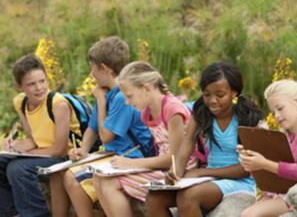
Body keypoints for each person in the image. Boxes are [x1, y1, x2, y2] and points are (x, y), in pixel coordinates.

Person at [50, 36, 154, 217]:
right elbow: (93, 128)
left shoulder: (123, 96)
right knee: (66, 175)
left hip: (134, 156)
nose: (91, 73)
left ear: (104, 68)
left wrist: (100, 100)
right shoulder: (107, 93)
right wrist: (83, 149)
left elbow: (106, 137)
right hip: (113, 155)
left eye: (92, 68)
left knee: (73, 178)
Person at [146, 61, 265, 217]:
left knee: (189, 196)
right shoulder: (202, 115)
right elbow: (185, 149)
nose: (212, 100)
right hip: (211, 179)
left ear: (234, 92)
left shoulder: (247, 119)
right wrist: (175, 172)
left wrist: (202, 173)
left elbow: (246, 170)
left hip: (240, 182)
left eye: (220, 95)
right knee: (154, 197)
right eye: (206, 94)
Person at [92, 61, 198, 217]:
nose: (127, 102)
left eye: (129, 96)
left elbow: (175, 159)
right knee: (98, 178)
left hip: (180, 172)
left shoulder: (172, 110)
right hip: (164, 168)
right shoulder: (146, 113)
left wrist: (131, 164)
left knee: (109, 184)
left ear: (147, 89)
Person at [0, 53, 82, 217]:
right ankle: (10, 212)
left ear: (46, 78)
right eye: (31, 84)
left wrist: (24, 154)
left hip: (67, 156)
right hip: (42, 153)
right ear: (19, 86)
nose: (39, 88)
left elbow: (59, 150)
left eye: (42, 81)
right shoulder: (21, 102)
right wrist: (15, 146)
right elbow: (34, 140)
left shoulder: (58, 104)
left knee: (18, 168)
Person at [239, 79, 297, 217]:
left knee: (249, 214)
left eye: (280, 108)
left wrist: (265, 163)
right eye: (272, 112)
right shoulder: (280, 138)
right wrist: (251, 160)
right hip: (279, 192)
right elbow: (266, 180)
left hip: (296, 193)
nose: (276, 116)